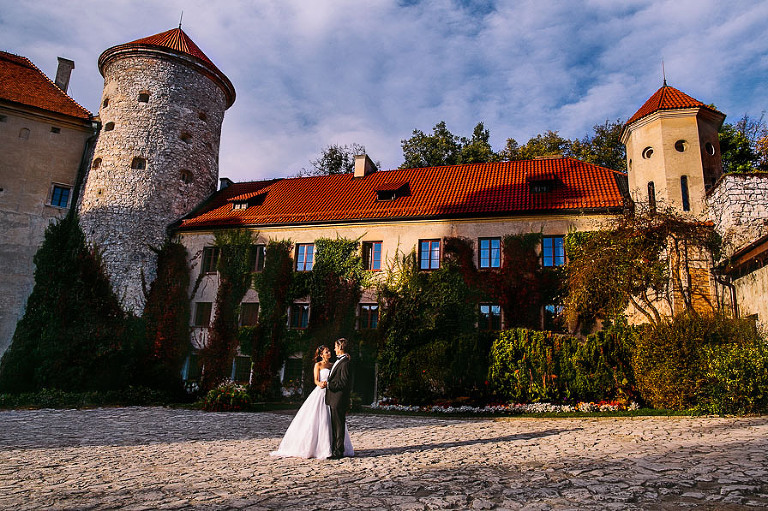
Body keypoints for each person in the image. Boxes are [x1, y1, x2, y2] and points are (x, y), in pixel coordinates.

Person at [270, 345, 353, 459]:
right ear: (321, 354)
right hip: (320, 392)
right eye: (326, 352)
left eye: (329, 351)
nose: (329, 353)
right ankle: (315, 447)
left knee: (332, 419)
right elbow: (316, 380)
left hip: (332, 394)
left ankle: (335, 447)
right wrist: (321, 384)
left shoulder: (333, 365)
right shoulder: (318, 365)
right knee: (317, 418)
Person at [325, 338, 354, 459]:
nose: (334, 349)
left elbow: (343, 382)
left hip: (338, 399)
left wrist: (329, 384)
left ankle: (338, 451)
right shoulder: (340, 361)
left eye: (335, 347)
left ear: (341, 347)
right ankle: (334, 448)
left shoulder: (345, 363)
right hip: (333, 398)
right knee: (334, 425)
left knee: (338, 425)